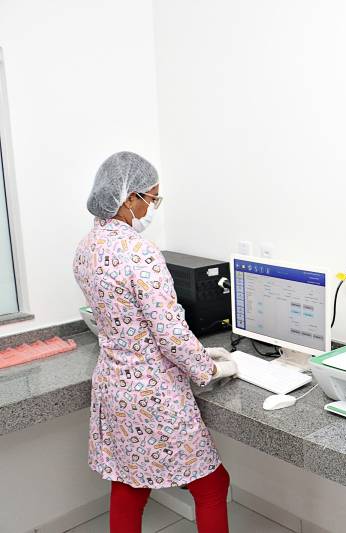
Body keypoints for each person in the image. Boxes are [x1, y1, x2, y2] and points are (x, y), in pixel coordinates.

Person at [73, 152, 237, 533]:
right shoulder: (139, 252)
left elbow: (127, 322)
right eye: (152, 198)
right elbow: (170, 333)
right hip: (152, 393)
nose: (153, 208)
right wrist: (211, 367)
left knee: (129, 484)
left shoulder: (87, 247)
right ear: (129, 198)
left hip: (114, 386)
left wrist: (200, 352)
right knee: (212, 485)